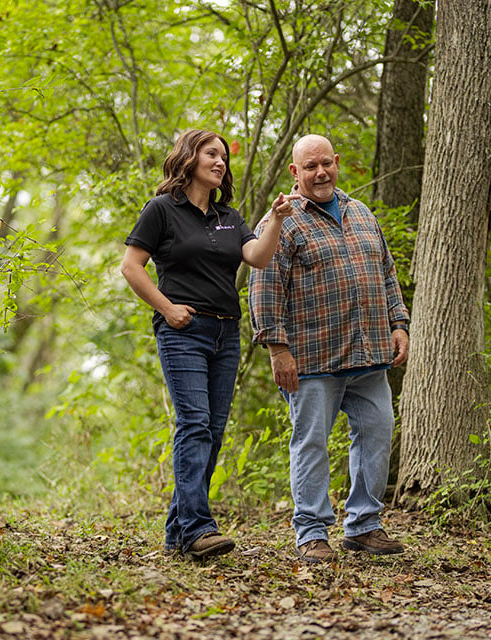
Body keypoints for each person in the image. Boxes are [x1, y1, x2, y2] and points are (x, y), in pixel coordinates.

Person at [121, 129, 294, 559]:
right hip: (184, 332)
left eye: (224, 157)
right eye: (211, 153)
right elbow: (131, 267)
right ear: (188, 158)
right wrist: (167, 308)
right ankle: (199, 528)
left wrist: (276, 218)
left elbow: (258, 258)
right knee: (195, 424)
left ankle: (178, 535)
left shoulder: (230, 217)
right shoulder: (162, 210)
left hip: (225, 333)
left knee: (212, 432)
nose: (220, 161)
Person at [247, 134, 410, 564]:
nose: (320, 172)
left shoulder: (361, 213)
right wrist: (277, 349)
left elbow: (387, 272)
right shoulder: (281, 222)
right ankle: (312, 531)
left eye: (326, 163)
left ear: (336, 163)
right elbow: (264, 288)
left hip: (369, 353)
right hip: (311, 359)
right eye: (310, 166)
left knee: (378, 431)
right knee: (311, 442)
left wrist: (398, 323)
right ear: (294, 173)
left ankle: (364, 526)